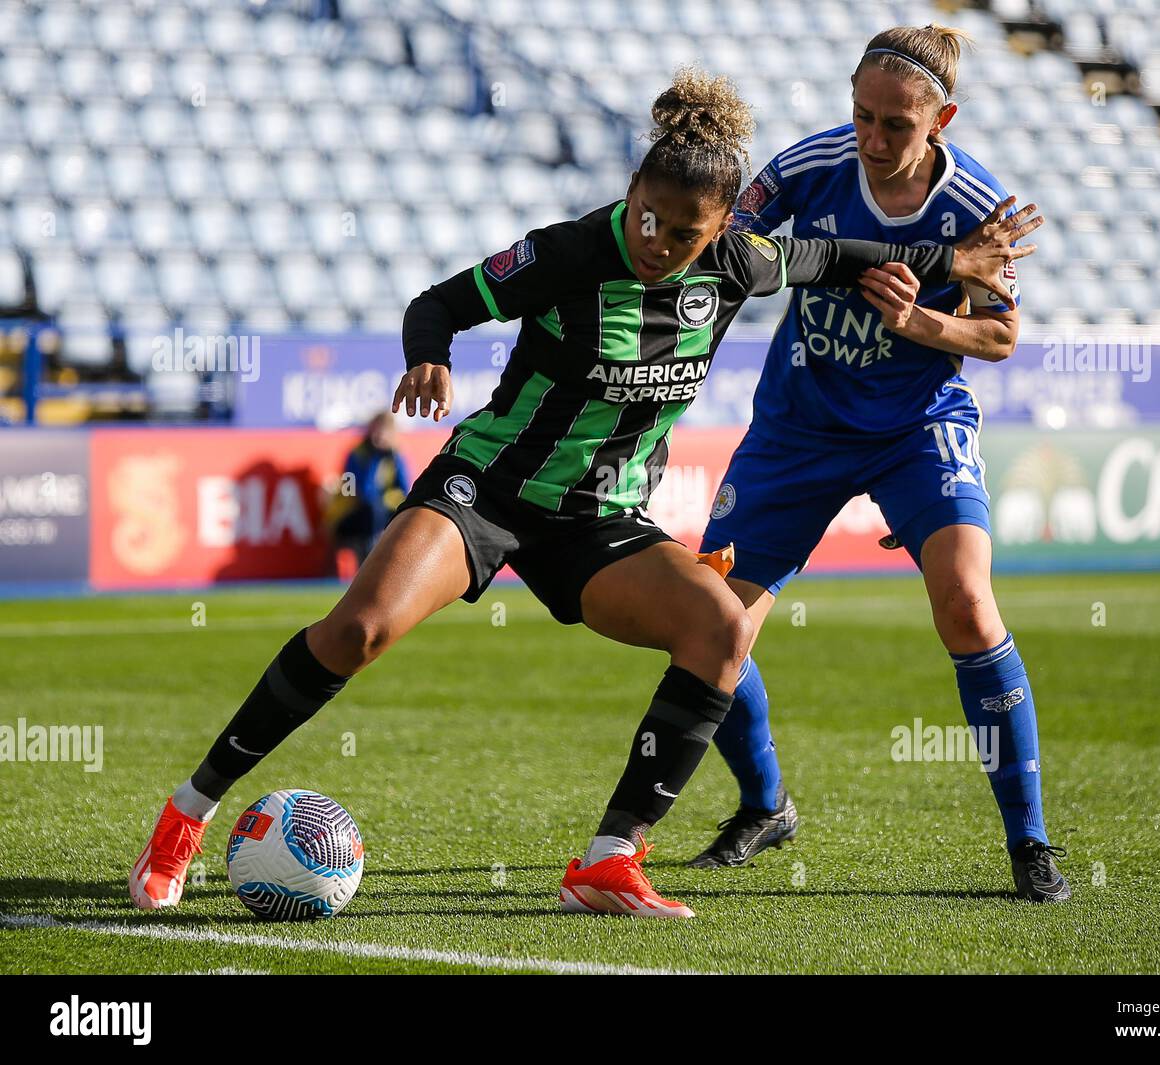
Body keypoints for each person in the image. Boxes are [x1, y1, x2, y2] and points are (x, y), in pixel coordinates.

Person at [129, 67, 1040, 919]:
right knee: (358, 628)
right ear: (633, 194)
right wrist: (429, 356)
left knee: (720, 625)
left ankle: (609, 858)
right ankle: (188, 813)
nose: (656, 242)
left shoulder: (743, 264)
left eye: (683, 233)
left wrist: (952, 263)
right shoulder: (568, 252)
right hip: (486, 489)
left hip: (600, 520)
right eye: (647, 217)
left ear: (723, 227)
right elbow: (440, 301)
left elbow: (843, 254)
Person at [690, 26, 1069, 902]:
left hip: (917, 424)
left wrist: (920, 323)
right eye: (861, 113)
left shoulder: (977, 203)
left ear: (942, 118)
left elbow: (1001, 336)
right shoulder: (807, 167)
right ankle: (766, 804)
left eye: (896, 123)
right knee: (711, 625)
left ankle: (1031, 841)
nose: (872, 137)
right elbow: (729, 252)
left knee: (969, 604)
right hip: (800, 424)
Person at [324, 411, 410, 568]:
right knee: (372, 508)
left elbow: (405, 489)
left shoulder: (394, 456)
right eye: (377, 430)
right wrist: (375, 458)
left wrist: (394, 459)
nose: (380, 436)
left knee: (404, 513)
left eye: (385, 432)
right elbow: (362, 492)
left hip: (381, 514)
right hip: (351, 515)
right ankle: (371, 560)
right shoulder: (356, 455)